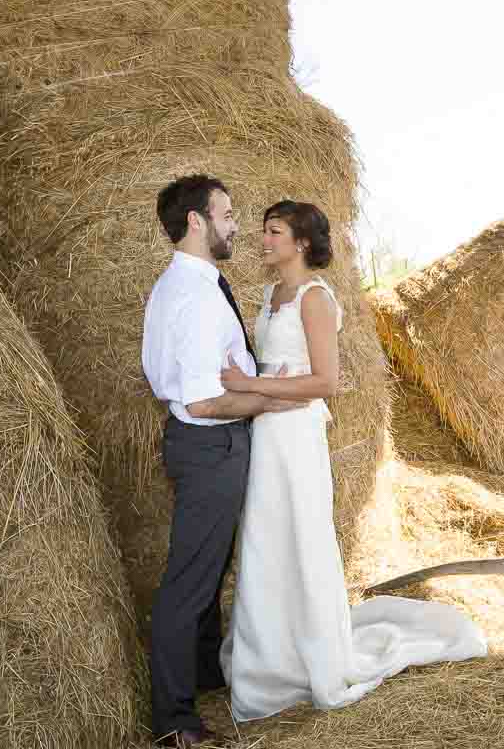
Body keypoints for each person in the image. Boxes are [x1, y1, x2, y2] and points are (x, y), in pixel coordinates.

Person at [218, 200, 486, 722]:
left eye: (274, 232)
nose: (264, 239)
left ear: (299, 243)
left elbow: (327, 382)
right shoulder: (270, 295)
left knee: (300, 536)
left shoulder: (316, 298)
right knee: (266, 539)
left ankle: (314, 654)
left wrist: (249, 384)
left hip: (295, 435)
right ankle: (271, 660)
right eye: (264, 231)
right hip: (266, 430)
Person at [142, 175, 303, 748]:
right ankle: (175, 723)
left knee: (209, 573)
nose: (236, 224)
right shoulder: (189, 296)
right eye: (227, 213)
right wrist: (276, 398)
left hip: (217, 445)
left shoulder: (200, 285)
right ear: (196, 221)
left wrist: (264, 391)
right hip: (210, 445)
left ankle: (205, 677)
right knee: (190, 581)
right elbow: (203, 399)